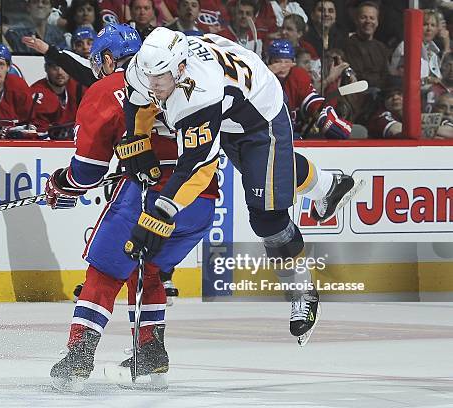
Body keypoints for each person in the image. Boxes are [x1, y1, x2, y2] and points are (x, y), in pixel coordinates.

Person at [122, 28, 360, 352]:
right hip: (230, 102)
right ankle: (331, 186)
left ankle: (302, 290)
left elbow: (198, 166)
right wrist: (136, 139)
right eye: (148, 73)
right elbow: (137, 100)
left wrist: (161, 212)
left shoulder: (198, 95)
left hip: (259, 112)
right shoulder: (147, 66)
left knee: (267, 218)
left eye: (160, 76)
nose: (153, 83)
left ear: (180, 67)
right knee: (267, 171)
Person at [43, 23, 219, 391]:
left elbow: (88, 172)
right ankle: (150, 354)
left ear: (107, 59)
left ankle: (79, 356)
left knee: (105, 271)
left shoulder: (107, 88)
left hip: (150, 196)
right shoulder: (183, 76)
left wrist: (62, 183)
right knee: (148, 269)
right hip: (201, 200)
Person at [267, 39, 352, 138]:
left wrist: (323, 115)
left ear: (293, 62)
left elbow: (311, 99)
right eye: (277, 62)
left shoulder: (297, 76)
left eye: (287, 62)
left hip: (291, 136)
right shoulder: (260, 80)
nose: (282, 66)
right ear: (268, 62)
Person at [343, 1, 390, 91]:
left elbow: (386, 75)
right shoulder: (348, 45)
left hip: (381, 94)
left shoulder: (382, 48)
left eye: (372, 18)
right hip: (359, 94)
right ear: (356, 20)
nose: (368, 21)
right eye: (363, 17)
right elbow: (356, 75)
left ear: (377, 22)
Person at [30, 60, 82, 139]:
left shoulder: (78, 88)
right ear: (46, 68)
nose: (60, 72)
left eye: (64, 67)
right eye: (54, 68)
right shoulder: (37, 93)